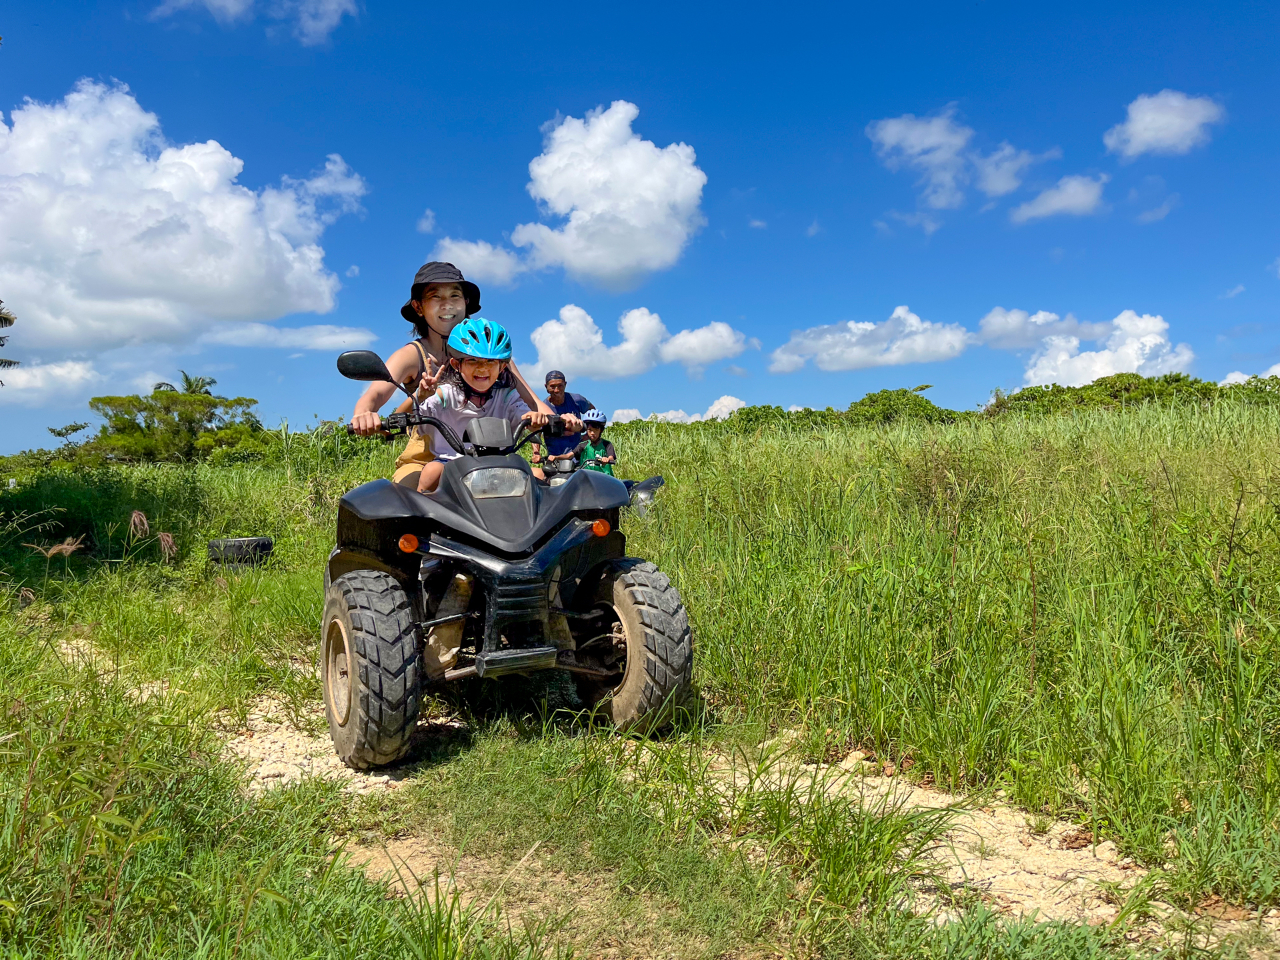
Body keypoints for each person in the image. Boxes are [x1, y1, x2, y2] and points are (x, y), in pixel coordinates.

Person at [348, 262, 564, 483]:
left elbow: (533, 402)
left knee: (539, 487)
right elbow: (374, 395)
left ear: (466, 303)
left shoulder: (489, 353)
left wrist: (560, 421)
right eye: (436, 297)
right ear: (418, 307)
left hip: (489, 455)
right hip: (428, 458)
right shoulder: (413, 354)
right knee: (406, 502)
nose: (447, 305)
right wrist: (364, 414)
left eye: (454, 296)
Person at [406, 317, 547, 494]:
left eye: (490, 362)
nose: (482, 368)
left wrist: (533, 418)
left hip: (500, 464)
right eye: (472, 361)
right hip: (451, 466)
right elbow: (419, 420)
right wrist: (422, 396)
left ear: (502, 367)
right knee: (432, 472)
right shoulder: (445, 394)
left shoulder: (506, 396)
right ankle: (424, 519)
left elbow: (522, 414)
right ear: (457, 364)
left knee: (538, 474)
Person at [529, 370, 593, 477]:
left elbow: (594, 415)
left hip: (579, 458)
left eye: (560, 386)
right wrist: (536, 453)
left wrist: (587, 434)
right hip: (554, 459)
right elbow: (536, 431)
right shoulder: (542, 408)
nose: (557, 390)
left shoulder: (577, 400)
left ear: (565, 385)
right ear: (546, 387)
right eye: (552, 386)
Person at [548, 409, 617, 477]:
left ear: (601, 430)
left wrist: (606, 459)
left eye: (596, 430)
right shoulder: (583, 445)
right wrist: (556, 457)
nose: (592, 433)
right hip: (587, 478)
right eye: (590, 430)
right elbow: (568, 456)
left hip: (604, 478)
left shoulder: (606, 444)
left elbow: (611, 457)